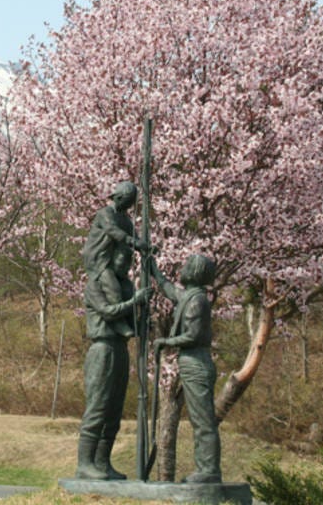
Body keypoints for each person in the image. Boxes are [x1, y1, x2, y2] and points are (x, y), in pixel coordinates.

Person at [76, 247, 153, 480]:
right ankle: (85, 463)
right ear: (110, 258)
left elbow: (131, 324)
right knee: (98, 407)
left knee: (114, 411)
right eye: (122, 258)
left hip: (120, 348)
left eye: (130, 261)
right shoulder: (96, 285)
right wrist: (134, 301)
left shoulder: (125, 288)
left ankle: (102, 461)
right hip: (102, 348)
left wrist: (143, 314)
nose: (126, 265)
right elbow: (108, 312)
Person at [152, 254, 222, 484]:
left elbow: (193, 335)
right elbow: (169, 290)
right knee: (199, 419)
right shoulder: (190, 296)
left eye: (187, 266)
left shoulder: (198, 301)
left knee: (203, 420)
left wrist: (166, 342)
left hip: (197, 362)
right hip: (191, 362)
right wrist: (153, 269)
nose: (182, 269)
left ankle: (208, 469)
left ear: (195, 272)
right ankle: (206, 468)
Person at [81, 181, 149, 337]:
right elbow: (112, 230)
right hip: (98, 259)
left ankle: (131, 323)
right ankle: (118, 322)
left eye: (132, 202)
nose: (130, 205)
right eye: (128, 201)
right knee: (112, 286)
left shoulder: (125, 219)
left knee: (127, 287)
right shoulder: (105, 213)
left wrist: (144, 246)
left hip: (113, 260)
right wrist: (133, 242)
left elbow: (134, 235)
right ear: (118, 198)